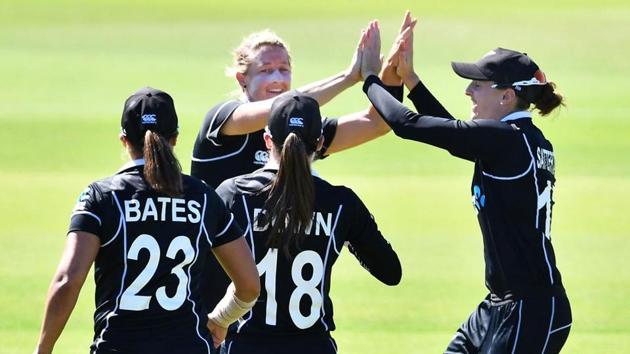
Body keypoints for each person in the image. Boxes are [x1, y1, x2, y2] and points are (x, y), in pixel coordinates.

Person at [360, 19, 572, 354]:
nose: (468, 91)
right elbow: (454, 138)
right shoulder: (520, 139)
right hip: (498, 307)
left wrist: (369, 78)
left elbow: (406, 124)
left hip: (528, 312)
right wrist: (411, 81)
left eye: (478, 84)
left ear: (506, 96)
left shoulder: (506, 140)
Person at [191, 20, 413, 313]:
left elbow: (376, 124)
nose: (278, 78)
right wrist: (349, 77)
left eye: (284, 69)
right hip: (218, 292)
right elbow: (279, 107)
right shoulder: (222, 120)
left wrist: (388, 76)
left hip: (275, 302)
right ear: (241, 79)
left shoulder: (300, 134)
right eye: (266, 70)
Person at [33, 88, 260, 354]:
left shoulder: (101, 197)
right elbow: (249, 286)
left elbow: (67, 281)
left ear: (123, 139)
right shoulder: (204, 198)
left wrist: (43, 349)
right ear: (175, 138)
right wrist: (220, 320)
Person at [213, 92, 402, 354]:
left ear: (267, 140)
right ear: (321, 142)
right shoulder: (341, 203)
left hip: (247, 346)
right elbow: (390, 272)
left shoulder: (233, 195)